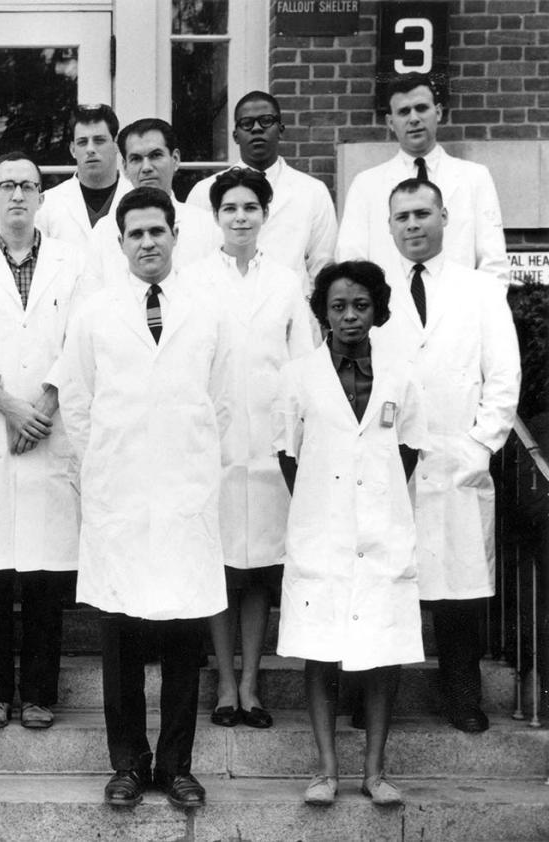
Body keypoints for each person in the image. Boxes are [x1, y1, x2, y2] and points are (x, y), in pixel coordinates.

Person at [59, 187, 232, 811]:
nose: (148, 243)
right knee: (123, 642)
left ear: (176, 235)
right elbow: (76, 404)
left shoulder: (207, 310)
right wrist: (107, 469)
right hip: (121, 499)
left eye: (158, 231)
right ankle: (129, 765)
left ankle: (178, 765)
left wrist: (191, 471)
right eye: (136, 234)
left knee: (185, 639)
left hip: (184, 495)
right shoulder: (95, 313)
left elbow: (225, 402)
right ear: (120, 241)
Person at [274, 260, 427, 806]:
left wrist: (372, 503)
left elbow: (406, 449)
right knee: (321, 652)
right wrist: (329, 506)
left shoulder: (401, 374)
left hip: (382, 533)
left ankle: (375, 772)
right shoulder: (298, 376)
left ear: (378, 310)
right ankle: (325, 770)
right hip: (323, 534)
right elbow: (289, 454)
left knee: (383, 654)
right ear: (323, 314)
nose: (350, 316)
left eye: (361, 305)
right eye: (338, 306)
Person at [372, 179, 520, 733]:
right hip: (393, 461)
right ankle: (368, 698)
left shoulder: (480, 290)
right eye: (402, 217)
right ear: (389, 226)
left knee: (458, 595)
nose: (413, 225)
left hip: (458, 458)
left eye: (422, 214)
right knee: (388, 583)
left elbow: (504, 375)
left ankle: (462, 697)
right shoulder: (377, 289)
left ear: (444, 217)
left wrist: (482, 444)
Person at [0, 151, 85, 730]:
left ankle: (39, 694)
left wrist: (45, 406)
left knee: (45, 575)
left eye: (28, 186)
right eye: (6, 186)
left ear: (40, 197)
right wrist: (7, 404)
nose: (17, 196)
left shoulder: (72, 263)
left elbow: (82, 341)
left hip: (51, 430)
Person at [189, 168, 314, 731]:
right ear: (216, 218)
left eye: (250, 207)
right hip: (210, 445)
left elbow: (304, 366)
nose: (240, 217)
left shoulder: (287, 283)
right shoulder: (193, 281)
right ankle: (221, 679)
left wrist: (295, 441)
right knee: (219, 568)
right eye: (229, 208)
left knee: (260, 569)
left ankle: (251, 682)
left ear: (265, 215)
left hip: (270, 447)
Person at [337, 74, 507, 283]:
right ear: (391, 122)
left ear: (438, 112)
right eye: (404, 111)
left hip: (460, 308)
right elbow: (352, 261)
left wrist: (476, 312)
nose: (414, 118)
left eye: (421, 108)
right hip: (392, 310)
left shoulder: (474, 178)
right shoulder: (366, 185)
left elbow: (494, 262)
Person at [186, 92, 337, 291]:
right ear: (235, 136)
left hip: (290, 311)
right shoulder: (204, 192)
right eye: (247, 123)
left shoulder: (312, 191)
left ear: (281, 130)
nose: (257, 129)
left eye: (266, 121)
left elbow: (322, 265)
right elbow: (192, 260)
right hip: (224, 309)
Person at [87, 118, 220, 280]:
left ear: (175, 159)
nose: (147, 168)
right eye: (135, 159)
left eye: (156, 155)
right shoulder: (105, 231)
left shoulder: (207, 227)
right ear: (125, 167)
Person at [37, 103, 132, 253]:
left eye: (99, 140)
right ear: (72, 149)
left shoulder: (136, 196)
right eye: (82, 142)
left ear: (116, 145)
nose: (90, 149)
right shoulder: (48, 204)